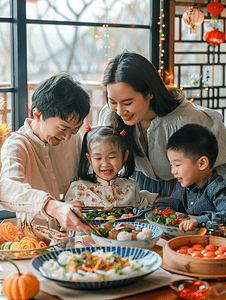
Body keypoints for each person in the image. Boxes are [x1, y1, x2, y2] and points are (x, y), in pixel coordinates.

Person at [98, 50, 226, 197]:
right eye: (112, 101)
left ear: (150, 93)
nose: (120, 111)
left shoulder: (187, 120)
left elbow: (218, 164)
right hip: (139, 190)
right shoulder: (110, 116)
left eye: (128, 102)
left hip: (187, 190)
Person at [0, 72, 91, 235]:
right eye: (62, 129)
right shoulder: (17, 145)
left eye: (75, 129)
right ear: (37, 114)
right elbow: (5, 188)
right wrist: (52, 206)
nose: (67, 137)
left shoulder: (74, 138)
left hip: (75, 236)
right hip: (36, 239)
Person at [151, 124, 226, 231]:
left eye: (177, 165)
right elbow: (166, 204)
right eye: (171, 165)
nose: (173, 171)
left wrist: (197, 221)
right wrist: (174, 216)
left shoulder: (218, 188)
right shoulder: (182, 186)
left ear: (202, 163)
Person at [65, 125, 159, 210]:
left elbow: (143, 207)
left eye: (111, 157)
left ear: (124, 156)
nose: (105, 164)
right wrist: (71, 210)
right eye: (98, 158)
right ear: (89, 159)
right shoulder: (78, 188)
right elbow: (64, 219)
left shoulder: (131, 187)